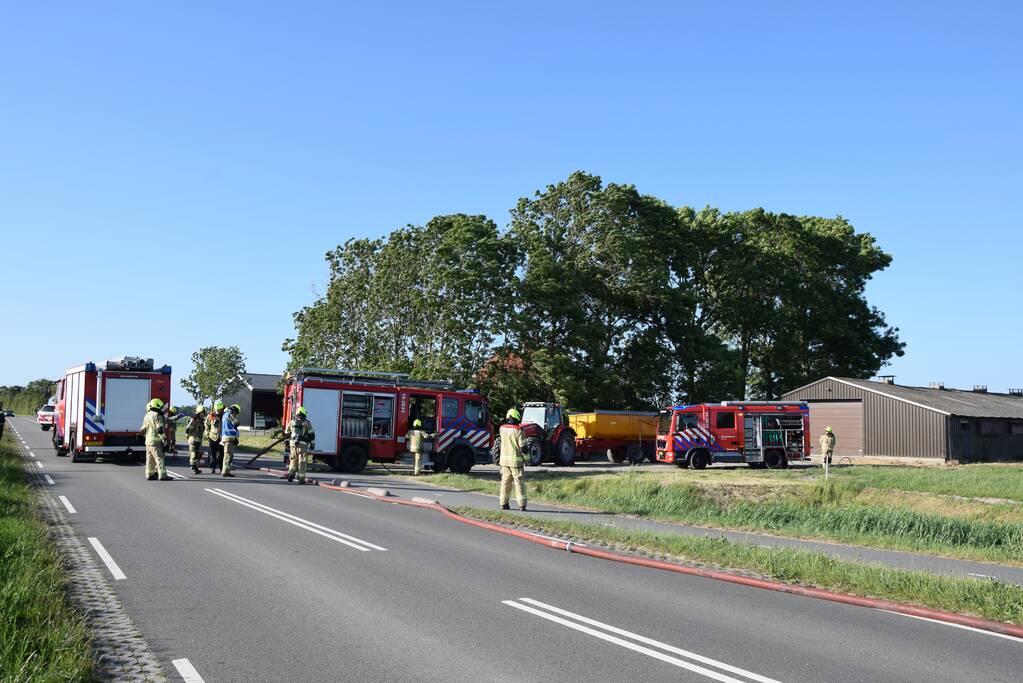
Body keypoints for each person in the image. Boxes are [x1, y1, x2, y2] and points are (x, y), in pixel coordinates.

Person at [498, 408, 526, 511]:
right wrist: (527, 460)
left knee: (505, 482)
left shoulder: (502, 429)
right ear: (517, 417)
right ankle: (522, 505)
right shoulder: (518, 430)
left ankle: (503, 504)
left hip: (504, 462)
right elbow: (524, 448)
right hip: (516, 462)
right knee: (519, 483)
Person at [139, 399, 170, 481]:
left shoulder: (147, 415)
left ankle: (149, 475)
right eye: (161, 407)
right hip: (156, 442)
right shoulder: (157, 415)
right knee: (160, 458)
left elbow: (142, 430)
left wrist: (147, 437)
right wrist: (165, 440)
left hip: (148, 442)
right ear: (158, 406)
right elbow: (160, 429)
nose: (162, 409)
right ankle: (163, 476)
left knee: (150, 459)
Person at [286, 406, 315, 484]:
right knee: (302, 461)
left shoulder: (292, 422)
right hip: (303, 445)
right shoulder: (307, 423)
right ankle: (301, 479)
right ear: (304, 413)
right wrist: (312, 445)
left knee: (293, 460)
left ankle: (290, 475)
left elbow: (286, 432)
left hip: (293, 444)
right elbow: (311, 435)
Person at [220, 403, 241, 477]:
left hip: (228, 438)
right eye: (236, 413)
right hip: (229, 438)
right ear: (234, 410)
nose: (236, 415)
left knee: (228, 455)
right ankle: (225, 472)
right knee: (228, 455)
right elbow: (236, 423)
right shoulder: (230, 414)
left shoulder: (225, 415)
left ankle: (227, 471)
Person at [186, 405, 207, 474]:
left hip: (198, 440)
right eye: (202, 413)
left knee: (199, 454)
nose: (203, 414)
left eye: (204, 413)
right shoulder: (194, 420)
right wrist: (190, 439)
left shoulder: (201, 421)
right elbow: (188, 429)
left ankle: (196, 467)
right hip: (193, 440)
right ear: (198, 413)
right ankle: (193, 466)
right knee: (194, 453)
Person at [206, 400, 224, 474]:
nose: (219, 411)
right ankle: (212, 468)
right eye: (218, 409)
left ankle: (221, 468)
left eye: (220, 409)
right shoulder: (210, 416)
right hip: (212, 437)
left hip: (221, 438)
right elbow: (207, 425)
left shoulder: (224, 416)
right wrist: (207, 434)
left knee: (221, 454)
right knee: (212, 454)